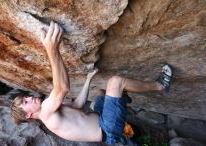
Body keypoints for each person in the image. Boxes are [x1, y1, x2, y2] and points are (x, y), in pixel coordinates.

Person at [10, 21, 173, 145]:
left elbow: (79, 105)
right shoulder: (46, 114)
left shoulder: (51, 109)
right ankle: (159, 85)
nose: (30, 98)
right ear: (29, 115)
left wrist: (88, 79)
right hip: (107, 129)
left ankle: (122, 99)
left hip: (101, 118)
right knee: (115, 82)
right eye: (25, 102)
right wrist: (52, 49)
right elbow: (62, 88)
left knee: (101, 92)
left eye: (26, 97)